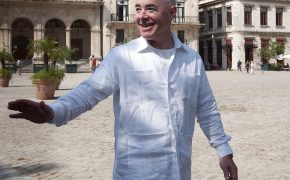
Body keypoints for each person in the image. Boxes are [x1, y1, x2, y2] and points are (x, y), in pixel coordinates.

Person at [7, 0, 238, 180]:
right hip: (134, 172)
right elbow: (88, 92)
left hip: (178, 171)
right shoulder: (122, 56)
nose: (141, 16)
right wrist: (53, 112)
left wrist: (223, 150)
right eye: (137, 9)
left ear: (171, 13)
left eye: (150, 8)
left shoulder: (192, 59)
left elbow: (206, 109)